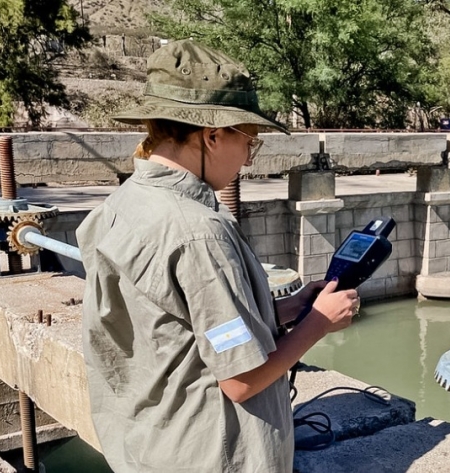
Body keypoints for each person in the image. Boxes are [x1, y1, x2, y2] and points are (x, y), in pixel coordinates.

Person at [76, 40, 358, 473]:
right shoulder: (197, 232)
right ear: (212, 135)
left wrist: (287, 307)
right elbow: (242, 380)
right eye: (249, 141)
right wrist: (320, 323)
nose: (248, 158)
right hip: (210, 455)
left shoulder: (118, 206)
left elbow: (178, 327)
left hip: (149, 447)